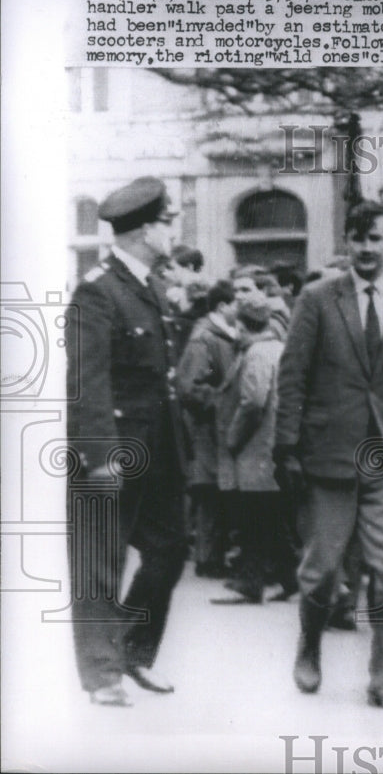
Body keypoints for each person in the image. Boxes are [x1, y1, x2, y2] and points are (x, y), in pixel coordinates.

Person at [273, 200, 383, 709]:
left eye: (378, 238)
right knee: (322, 569)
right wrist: (286, 446)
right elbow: (293, 376)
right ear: (348, 242)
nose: (369, 249)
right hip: (329, 457)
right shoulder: (318, 299)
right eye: (360, 238)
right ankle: (309, 644)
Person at [65, 176, 188, 707]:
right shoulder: (97, 288)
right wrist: (98, 456)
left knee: (170, 550)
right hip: (113, 447)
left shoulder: (150, 285)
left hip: (158, 449)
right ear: (144, 228)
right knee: (100, 561)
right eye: (167, 221)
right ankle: (103, 674)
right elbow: (87, 379)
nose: (172, 230)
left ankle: (135, 653)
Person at [211, 298, 297, 604]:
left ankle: (251, 583)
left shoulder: (258, 353)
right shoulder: (276, 348)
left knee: (254, 517)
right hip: (273, 447)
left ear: (241, 325)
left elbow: (254, 402)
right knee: (271, 518)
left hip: (258, 448)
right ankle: (289, 577)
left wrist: (234, 438)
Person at [177, 279, 240, 579]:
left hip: (221, 430)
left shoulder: (223, 335)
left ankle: (213, 556)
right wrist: (223, 402)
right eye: (237, 304)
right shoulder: (205, 339)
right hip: (208, 430)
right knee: (209, 493)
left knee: (218, 492)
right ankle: (208, 559)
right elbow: (189, 387)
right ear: (223, 307)